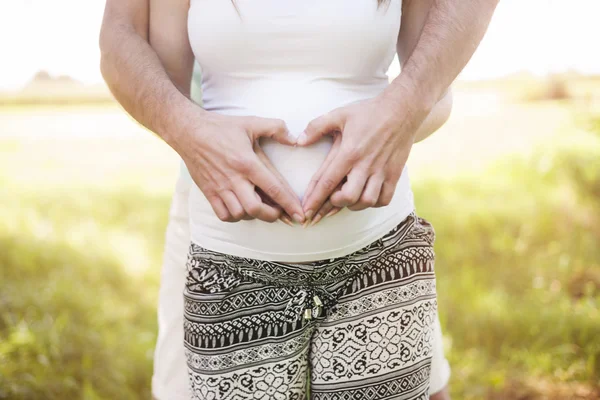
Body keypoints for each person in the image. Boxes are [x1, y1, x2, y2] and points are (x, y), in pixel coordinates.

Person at [99, 0, 497, 399]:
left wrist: (399, 118)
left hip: (376, 258)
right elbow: (133, 46)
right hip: (231, 266)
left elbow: (435, 86)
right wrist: (188, 131)